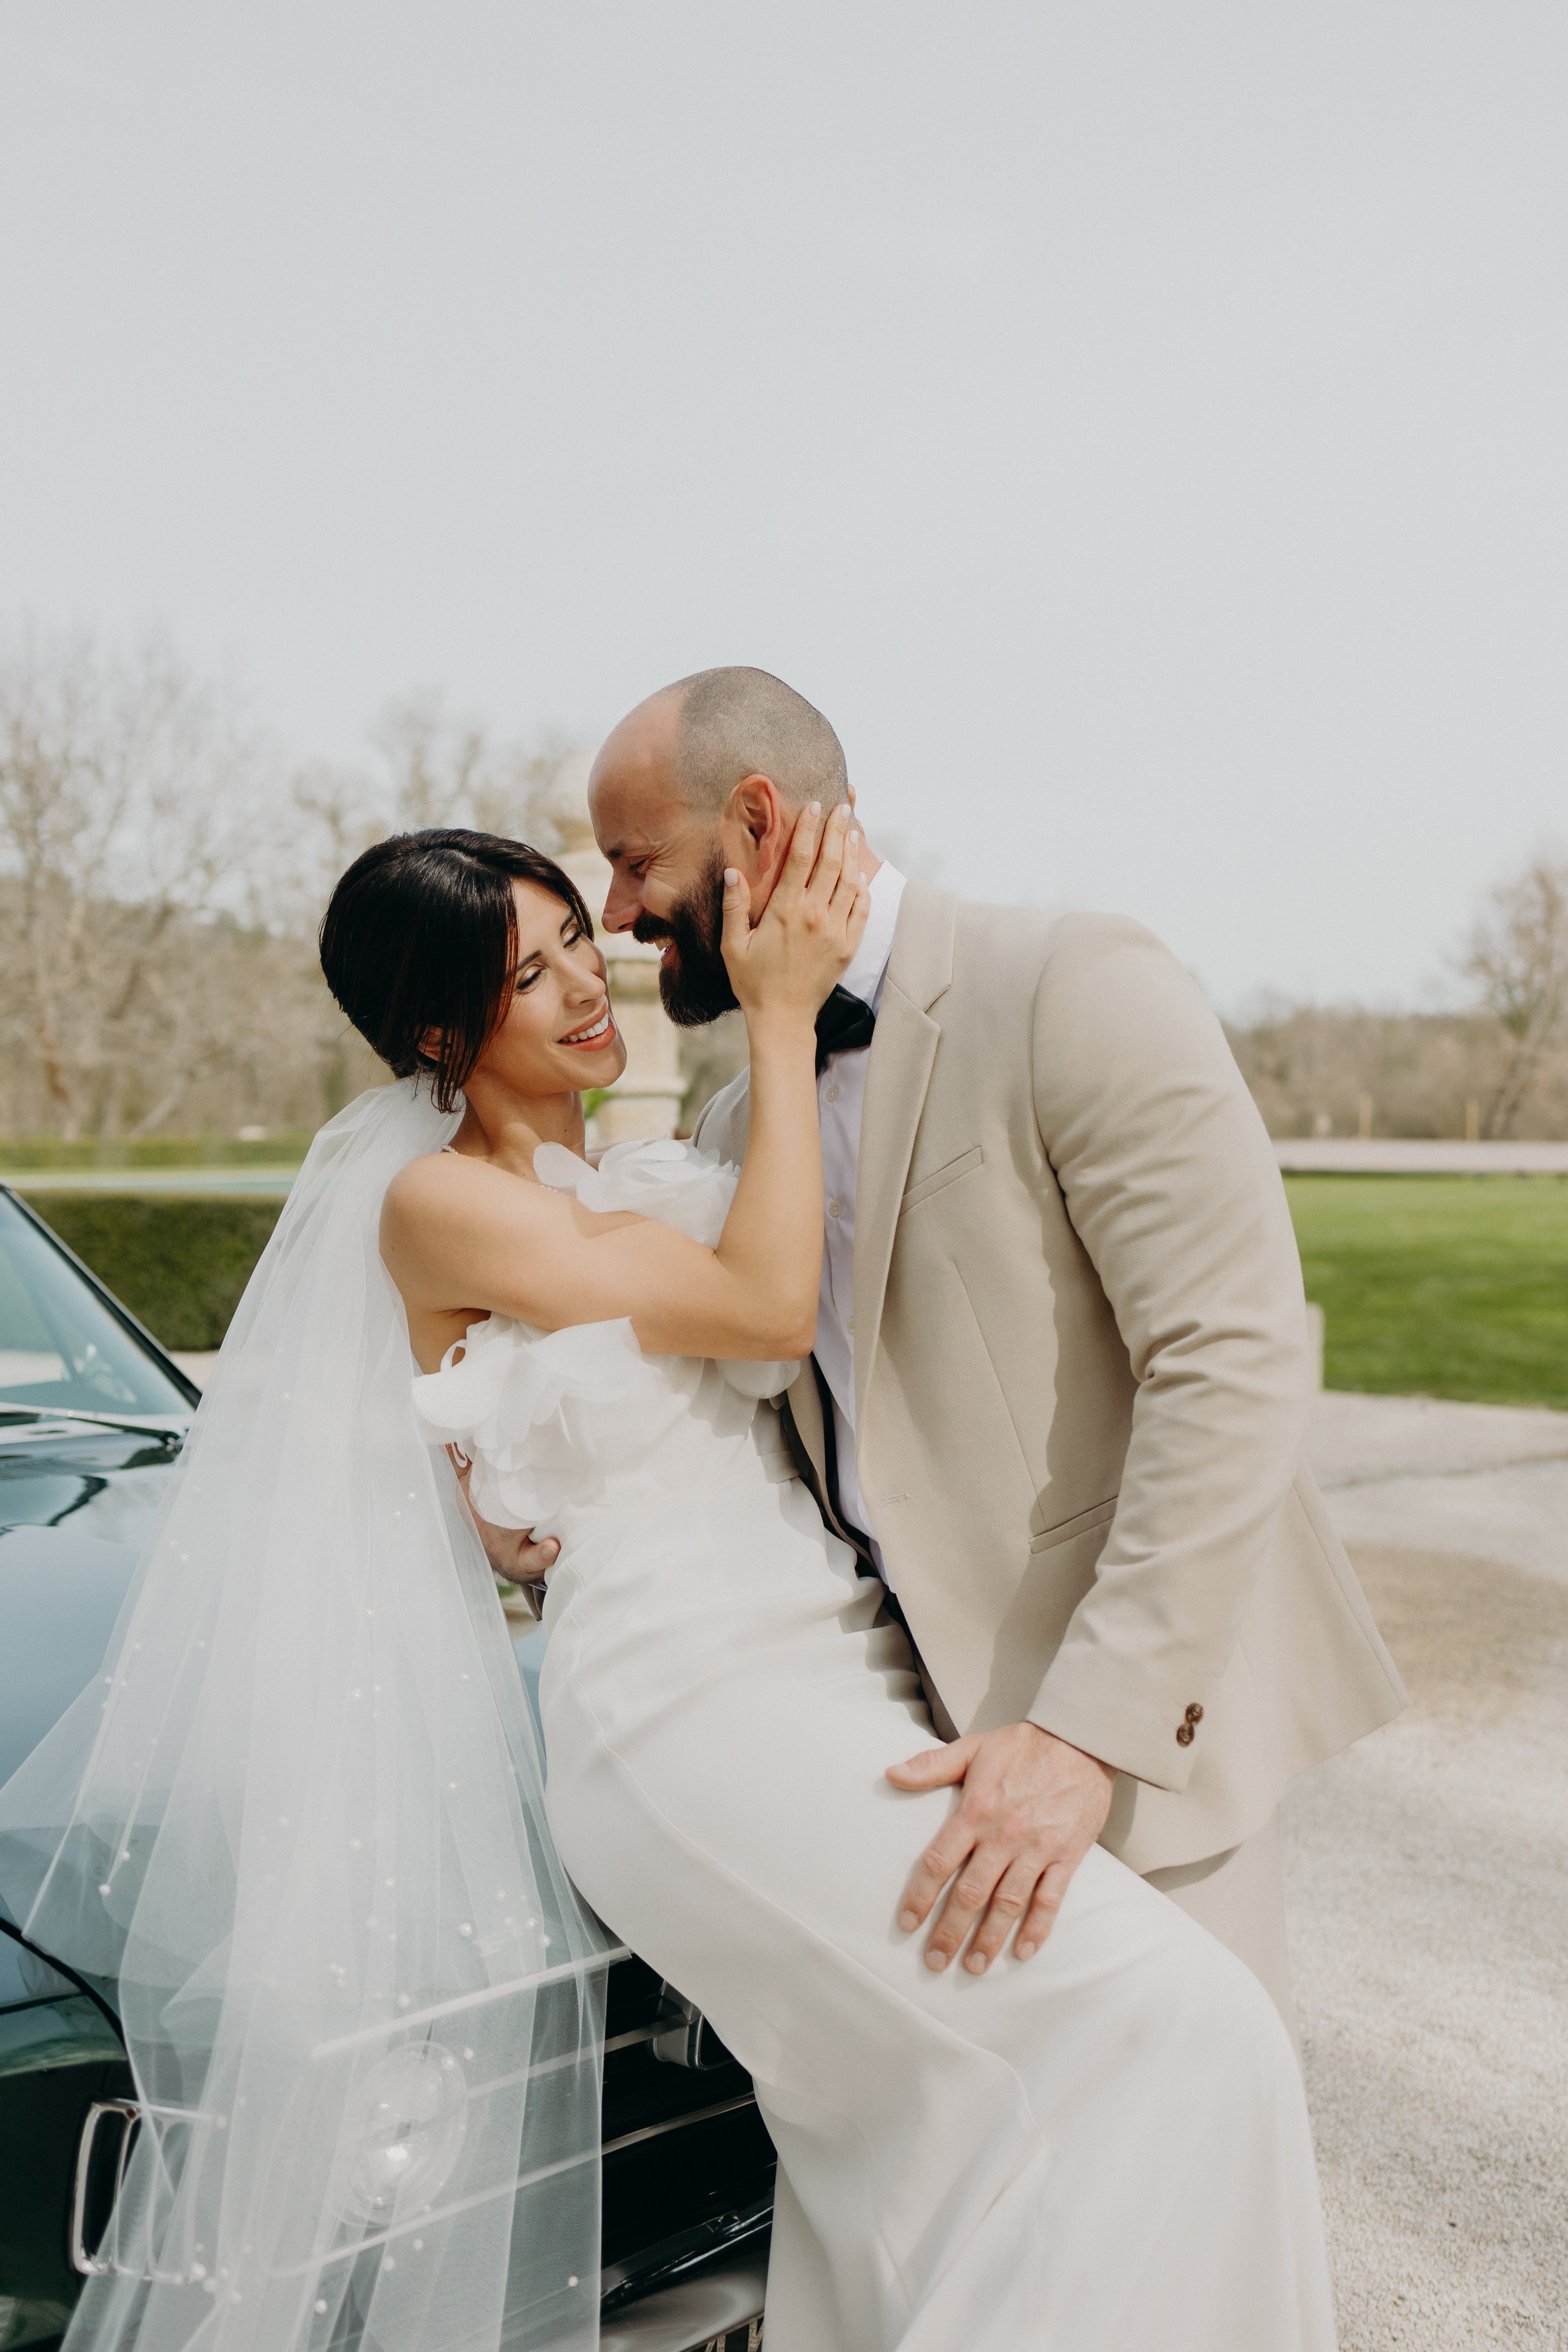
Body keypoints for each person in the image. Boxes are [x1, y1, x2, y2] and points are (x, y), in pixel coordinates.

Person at [362, 815, 1337, 2349]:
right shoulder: (438, 1203)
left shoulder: (661, 1162)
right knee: (1183, 2023)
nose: (586, 977)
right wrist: (777, 1001)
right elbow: (757, 1317)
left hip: (837, 1668)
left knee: (917, 2146)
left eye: (576, 936)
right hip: (689, 1712)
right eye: (526, 971)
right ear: (435, 1028)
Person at [503, 663, 1402, 2035]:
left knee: (1171, 2176)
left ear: (754, 820)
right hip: (900, 1783)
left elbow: (1231, 1365)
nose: (616, 914)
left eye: (634, 864)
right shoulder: (742, 1124)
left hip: (1121, 1760)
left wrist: (1084, 1732)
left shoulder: (1072, 982)